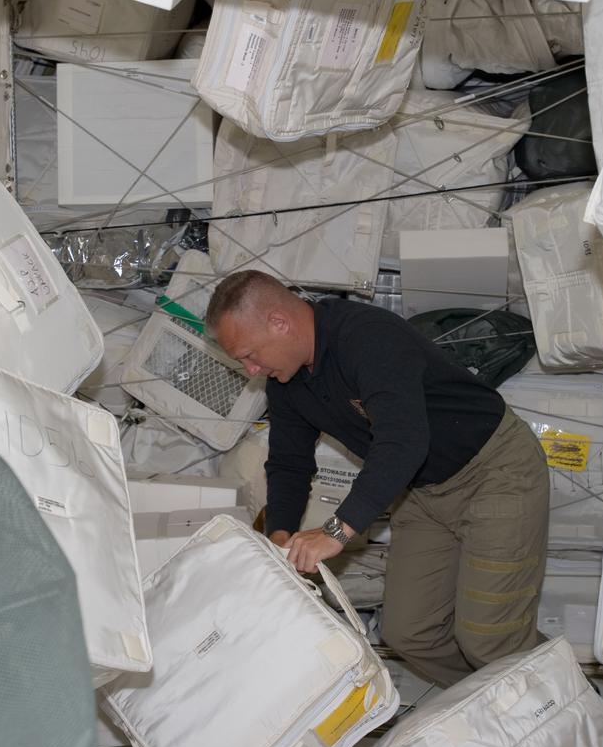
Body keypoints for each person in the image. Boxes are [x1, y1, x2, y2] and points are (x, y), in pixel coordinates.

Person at [207, 270, 550, 686]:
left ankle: (570, 721)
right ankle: (502, 705)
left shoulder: (366, 337)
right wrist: (280, 535)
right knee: (410, 633)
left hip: (494, 471)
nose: (250, 369)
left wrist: (336, 530)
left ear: (279, 323)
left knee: (490, 640)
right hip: (423, 491)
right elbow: (289, 463)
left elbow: (402, 440)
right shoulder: (286, 380)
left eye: (249, 354)